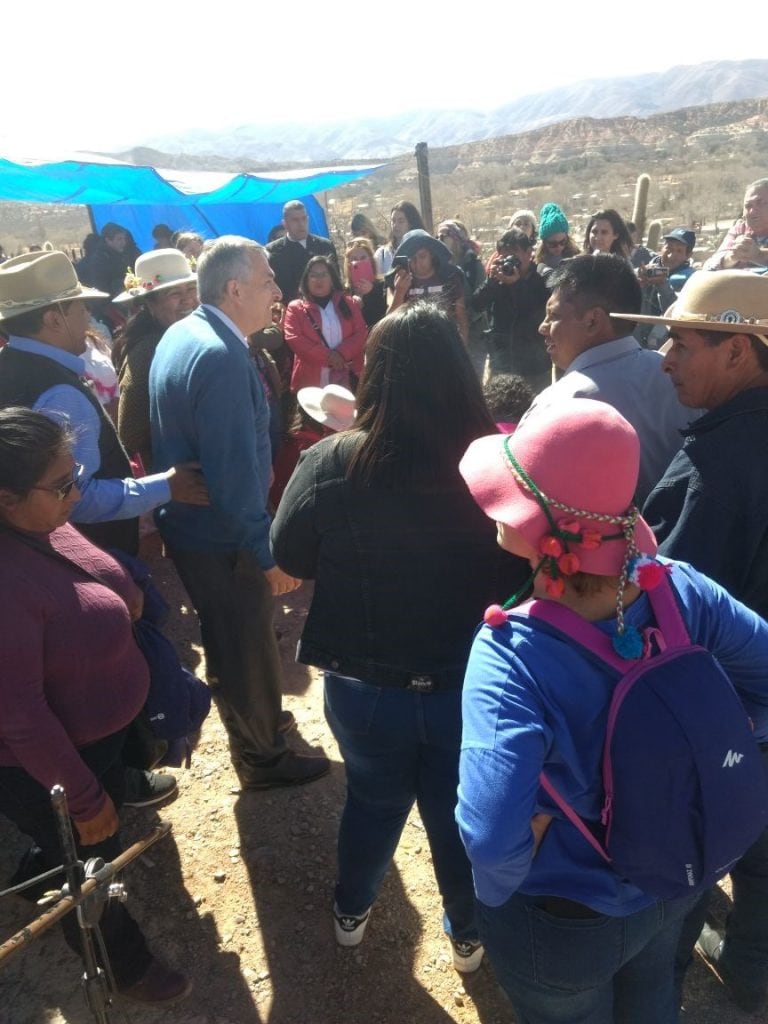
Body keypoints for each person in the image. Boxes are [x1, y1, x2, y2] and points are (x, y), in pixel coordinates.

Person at [456, 396, 768, 1024]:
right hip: (673, 871)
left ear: (543, 529)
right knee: (653, 990)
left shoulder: (509, 654)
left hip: (565, 915)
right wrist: (703, 741)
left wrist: (501, 894)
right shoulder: (679, 586)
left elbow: (490, 842)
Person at [271, 302, 529, 967]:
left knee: (373, 800)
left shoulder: (332, 460)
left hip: (365, 686)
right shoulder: (501, 463)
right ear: (460, 375)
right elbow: (529, 572)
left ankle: (352, 910)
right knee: (457, 808)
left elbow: (291, 556)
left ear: (374, 374)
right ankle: (468, 933)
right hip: (472, 683)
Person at [0, 408, 191, 1005]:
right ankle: (122, 963)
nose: (76, 492)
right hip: (47, 767)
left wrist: (124, 594)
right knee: (90, 866)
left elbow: (81, 563)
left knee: (75, 835)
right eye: (62, 485)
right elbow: (21, 716)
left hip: (93, 744)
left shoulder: (39, 521)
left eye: (73, 474)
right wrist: (81, 801)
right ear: (5, 498)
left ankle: (44, 856)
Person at [625, 271, 768, 1014]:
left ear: (740, 352)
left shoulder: (716, 469)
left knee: (685, 878)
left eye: (682, 342)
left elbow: (663, 615)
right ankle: (751, 973)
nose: (663, 357)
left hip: (725, 720)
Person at [149, 236, 330, 790]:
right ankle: (261, 757)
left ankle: (257, 722)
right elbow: (231, 474)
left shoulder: (187, 332)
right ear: (233, 289)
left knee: (231, 635)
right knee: (245, 641)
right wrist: (264, 549)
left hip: (198, 531)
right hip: (223, 539)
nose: (278, 289)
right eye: (268, 280)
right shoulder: (220, 357)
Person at [0, 250, 207, 558]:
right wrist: (166, 486)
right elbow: (74, 496)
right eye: (80, 306)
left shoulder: (12, 365)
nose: (88, 316)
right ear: (54, 318)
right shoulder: (60, 393)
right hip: (93, 547)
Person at [528, 253, 691, 505]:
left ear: (593, 320)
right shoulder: (680, 378)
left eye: (554, 315)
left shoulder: (559, 403)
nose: (543, 326)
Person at [111, 249, 199, 472]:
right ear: (148, 303)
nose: (188, 299)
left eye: (191, 289)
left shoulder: (192, 336)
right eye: (174, 293)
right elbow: (130, 430)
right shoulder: (148, 350)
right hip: (179, 476)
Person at [471, 228, 550, 389]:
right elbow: (476, 304)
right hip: (502, 363)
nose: (509, 258)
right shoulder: (497, 278)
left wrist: (516, 285)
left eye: (515, 252)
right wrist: (491, 282)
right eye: (504, 253)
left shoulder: (542, 278)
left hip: (534, 365)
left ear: (529, 252)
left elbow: (537, 315)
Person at [283, 255, 368, 393]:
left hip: (348, 375)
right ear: (306, 280)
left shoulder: (349, 303)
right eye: (313, 275)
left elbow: (361, 333)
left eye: (324, 274)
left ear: (332, 280)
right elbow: (294, 339)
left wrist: (342, 353)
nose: (319, 279)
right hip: (312, 379)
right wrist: (328, 356)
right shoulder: (295, 308)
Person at [387, 229, 469, 342]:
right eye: (412, 258)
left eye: (422, 256)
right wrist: (399, 292)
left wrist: (463, 348)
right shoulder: (396, 280)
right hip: (411, 344)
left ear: (432, 255)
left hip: (445, 342)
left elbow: (461, 316)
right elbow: (389, 321)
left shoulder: (450, 277)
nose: (417, 262)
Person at [266, 200, 337, 303]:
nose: (301, 224)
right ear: (285, 223)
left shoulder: (325, 246)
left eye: (304, 219)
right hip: (291, 311)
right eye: (295, 220)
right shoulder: (272, 252)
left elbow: (336, 282)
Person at [636, 228, 697, 348]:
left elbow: (678, 314)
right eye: (669, 248)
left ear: (688, 255)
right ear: (661, 248)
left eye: (679, 251)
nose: (671, 255)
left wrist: (663, 285)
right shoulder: (646, 269)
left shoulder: (691, 280)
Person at [704, 178, 768, 271]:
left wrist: (759, 255)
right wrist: (731, 258)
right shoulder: (740, 229)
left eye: (760, 203)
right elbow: (709, 266)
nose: (752, 211)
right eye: (748, 206)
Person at [343, 237, 387, 328]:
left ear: (371, 261)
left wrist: (371, 292)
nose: (359, 261)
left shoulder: (383, 286)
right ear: (348, 264)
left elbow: (386, 316)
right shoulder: (344, 292)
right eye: (354, 259)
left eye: (363, 258)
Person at [374, 201, 425, 275]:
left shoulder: (425, 251)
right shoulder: (382, 255)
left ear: (411, 223)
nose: (395, 225)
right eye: (393, 221)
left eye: (401, 221)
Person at [533, 203, 580, 279]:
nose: (558, 247)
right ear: (544, 242)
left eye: (562, 242)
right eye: (552, 244)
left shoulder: (577, 258)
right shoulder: (536, 264)